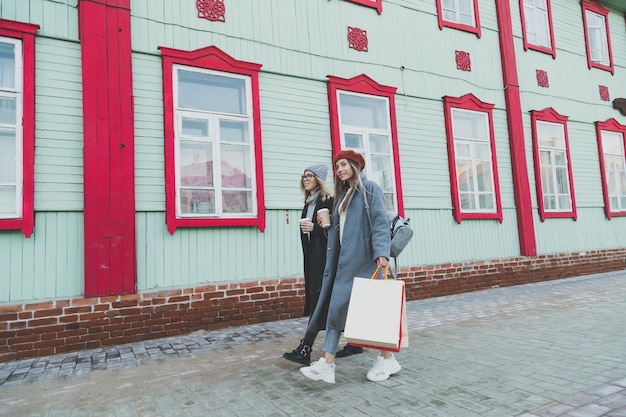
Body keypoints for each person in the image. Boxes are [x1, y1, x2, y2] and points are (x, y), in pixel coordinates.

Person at [299, 149, 401, 384]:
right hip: (343, 263)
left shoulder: (369, 189)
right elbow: (341, 230)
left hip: (366, 262)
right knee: (336, 309)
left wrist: (382, 253)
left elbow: (379, 221)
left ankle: (387, 359)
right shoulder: (342, 194)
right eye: (337, 166)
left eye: (344, 164)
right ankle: (328, 363)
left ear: (355, 166)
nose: (340, 169)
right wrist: (326, 225)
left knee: (375, 313)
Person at [282, 164, 334, 365]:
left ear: (319, 179)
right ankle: (355, 343)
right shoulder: (308, 203)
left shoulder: (327, 201)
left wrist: (315, 229)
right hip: (312, 260)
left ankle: (306, 348)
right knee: (327, 304)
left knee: (320, 303)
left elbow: (334, 232)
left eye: (310, 176)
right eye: (304, 176)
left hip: (324, 262)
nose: (305, 179)